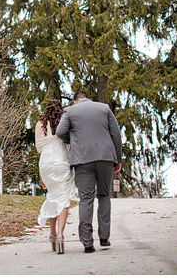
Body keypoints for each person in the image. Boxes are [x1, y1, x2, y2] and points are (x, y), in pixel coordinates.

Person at [56, 90, 122, 253]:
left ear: (75, 102)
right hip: (105, 157)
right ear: (87, 98)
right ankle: (105, 237)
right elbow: (116, 135)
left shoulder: (70, 111)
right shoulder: (105, 109)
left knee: (86, 199)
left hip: (82, 158)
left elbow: (60, 132)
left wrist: (73, 140)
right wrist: (118, 159)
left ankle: (87, 242)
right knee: (104, 195)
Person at [35, 99, 77, 254]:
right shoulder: (64, 121)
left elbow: (39, 148)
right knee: (64, 199)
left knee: (52, 196)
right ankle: (60, 234)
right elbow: (69, 143)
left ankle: (51, 233)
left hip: (45, 161)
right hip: (61, 159)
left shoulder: (39, 124)